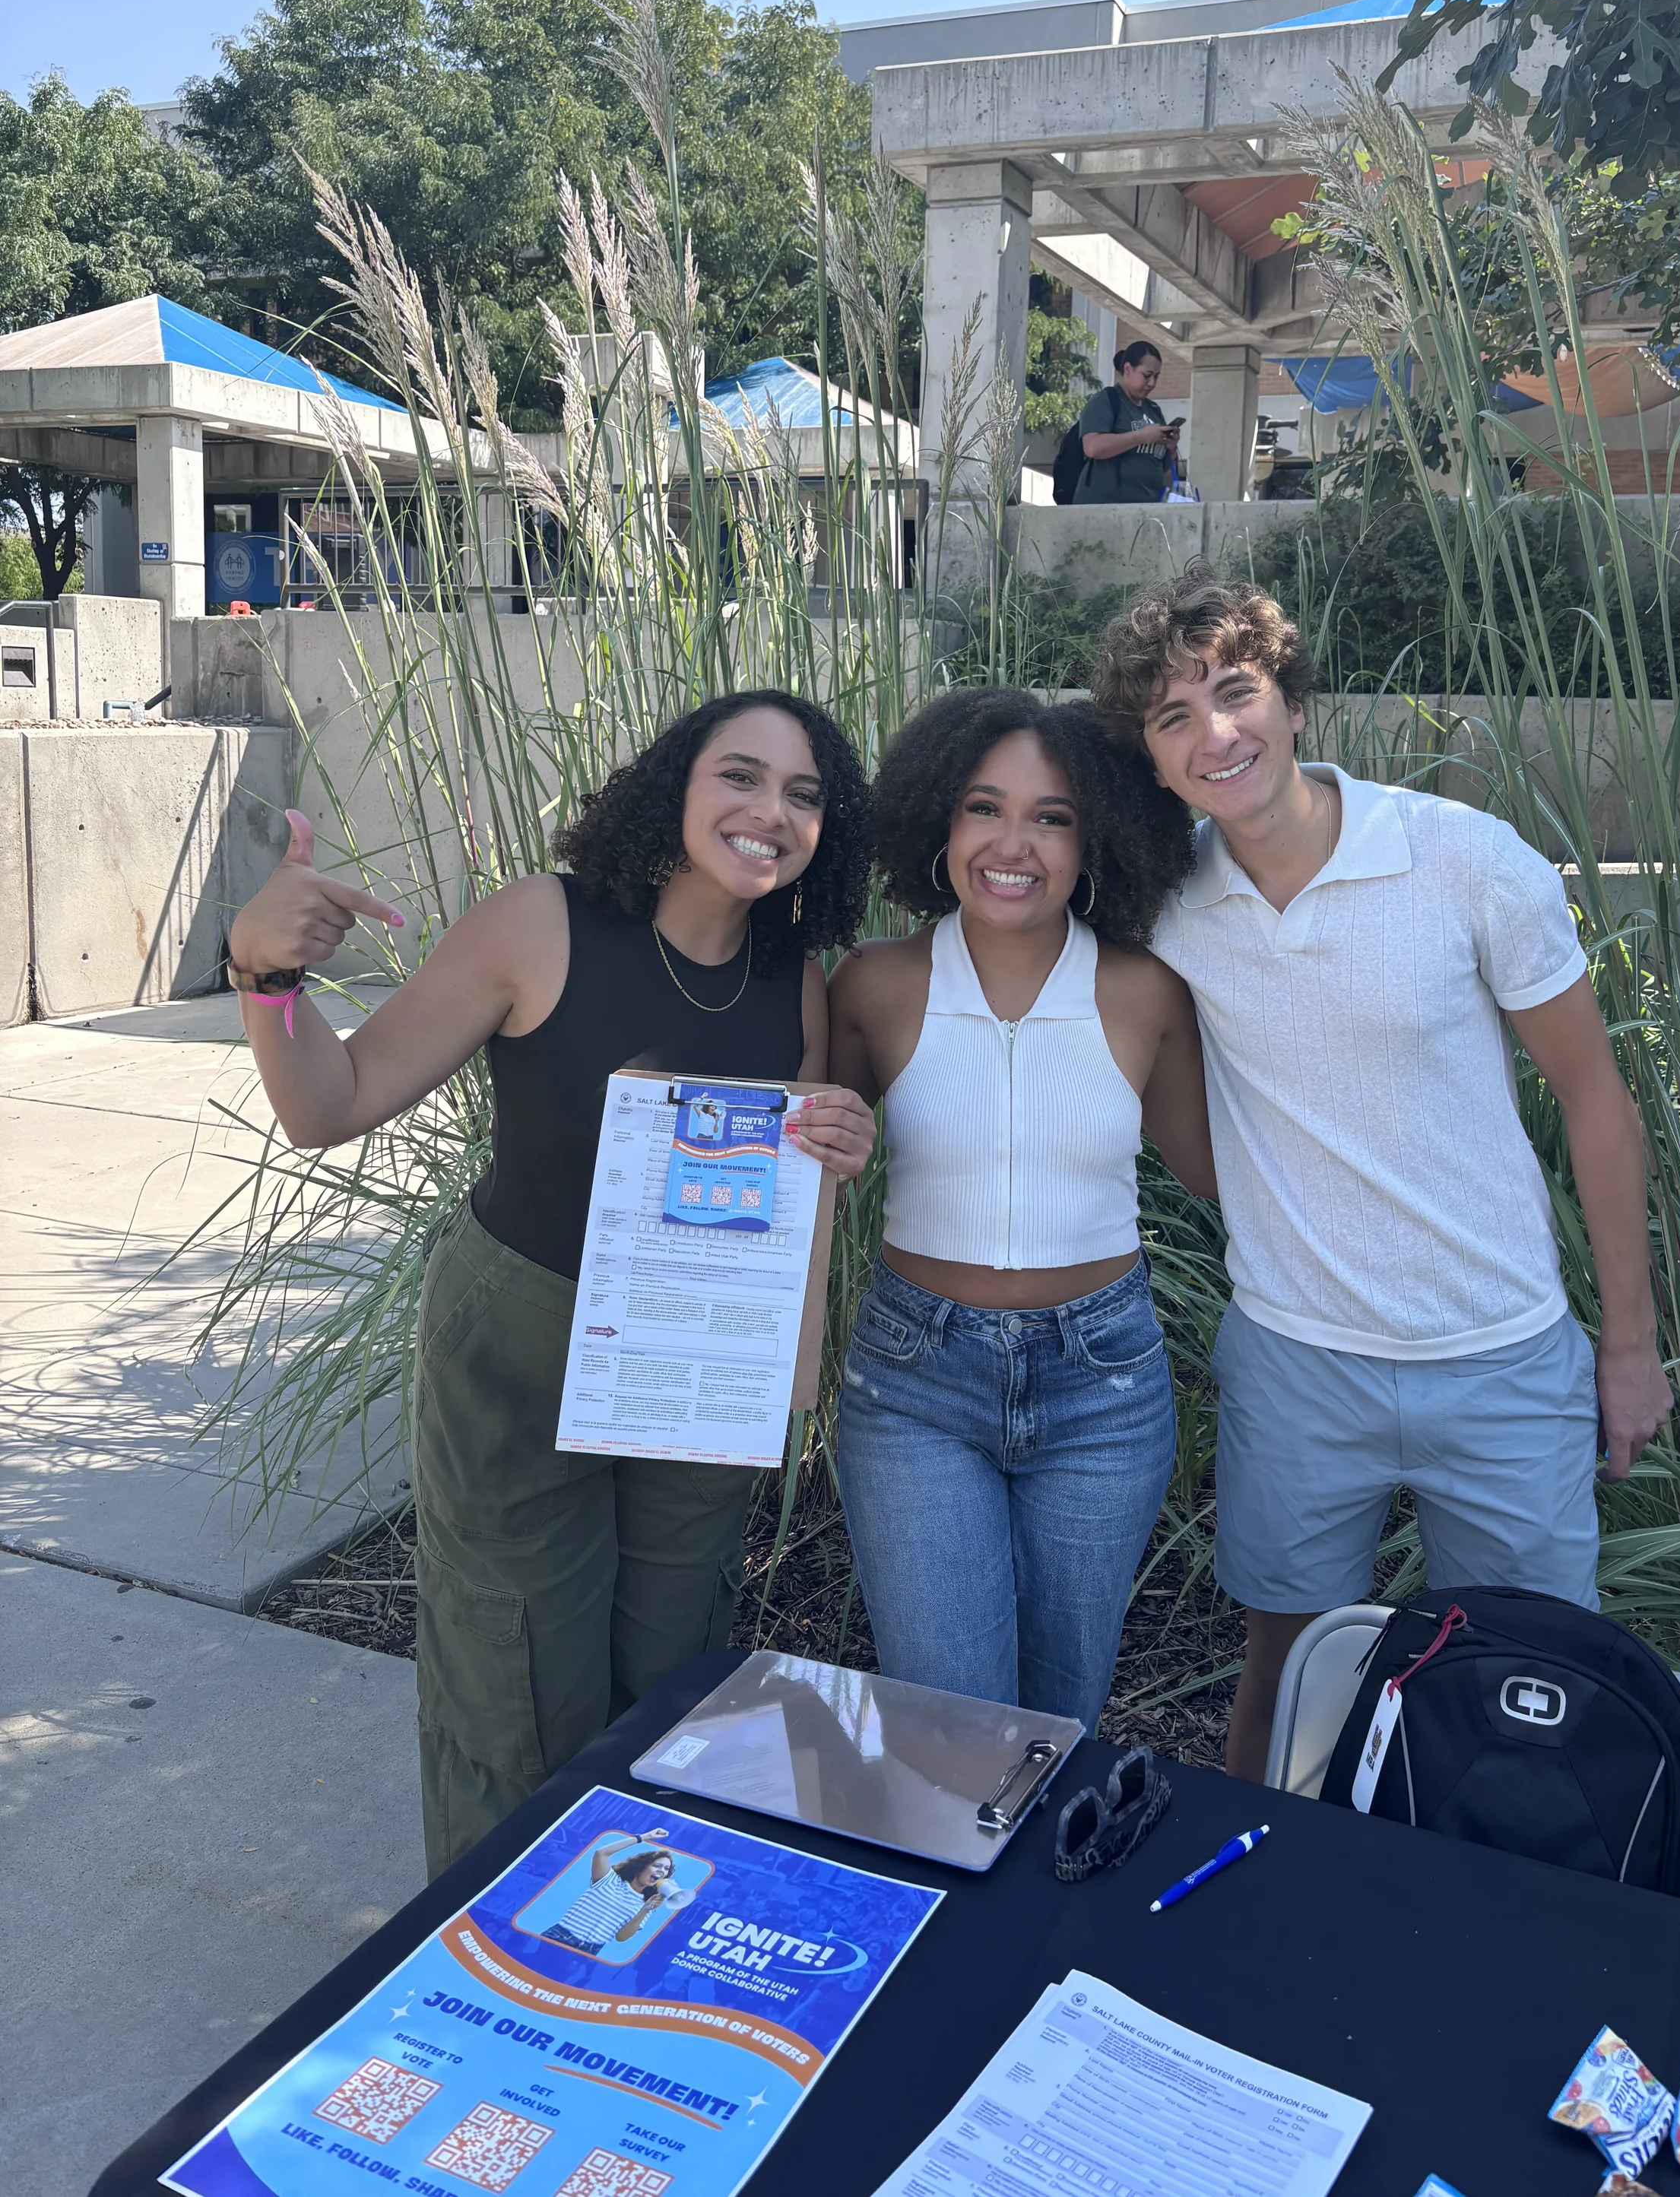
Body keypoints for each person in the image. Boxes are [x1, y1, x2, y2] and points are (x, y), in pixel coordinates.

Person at [226, 691, 878, 1875]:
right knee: (515, 1680)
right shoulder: (542, 923)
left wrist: (833, 1167)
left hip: (693, 1353)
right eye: (741, 776)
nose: (770, 813)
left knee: (677, 1677)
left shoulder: (800, 979)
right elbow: (328, 1105)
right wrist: (265, 973)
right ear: (675, 786)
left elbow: (798, 1194)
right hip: (518, 1343)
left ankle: (627, 1946)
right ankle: (491, 1968)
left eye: (804, 794)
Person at [1092, 569, 1673, 1780]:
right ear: (1148, 759)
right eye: (1173, 718)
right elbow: (1185, 1130)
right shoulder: (1169, 908)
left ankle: (1502, 1929)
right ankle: (1255, 1913)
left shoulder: (1464, 859)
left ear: (1293, 703)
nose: (1216, 734)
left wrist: (1628, 1345)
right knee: (1290, 1668)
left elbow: (1595, 1102)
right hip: (1298, 1363)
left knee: (1530, 1682)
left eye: (1237, 693)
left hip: (1501, 1359)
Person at [826, 689, 1216, 1729]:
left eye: (1051, 817)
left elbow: (1230, 1176)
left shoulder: (1146, 993)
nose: (1013, 844)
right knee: (952, 1723)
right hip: (914, 1387)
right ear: (937, 824)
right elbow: (784, 1154)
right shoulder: (873, 984)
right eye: (982, 808)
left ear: (1096, 838)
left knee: (1060, 1714)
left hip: (1104, 1387)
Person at [1073, 341, 1183, 507]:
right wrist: (1141, 436)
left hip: (1147, 508)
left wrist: (1171, 448)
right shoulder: (1106, 401)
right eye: (1147, 375)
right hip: (1105, 508)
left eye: (1156, 377)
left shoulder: (1153, 410)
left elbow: (1162, 469)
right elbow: (1093, 447)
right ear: (1127, 370)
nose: (1152, 383)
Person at [544, 1842, 686, 1954]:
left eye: (666, 1869)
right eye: (657, 1866)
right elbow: (601, 1853)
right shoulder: (610, 1880)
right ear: (643, 1865)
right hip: (560, 1936)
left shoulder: (647, 1904)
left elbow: (621, 1937)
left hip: (590, 1949)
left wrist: (645, 1910)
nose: (662, 1871)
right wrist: (641, 1838)